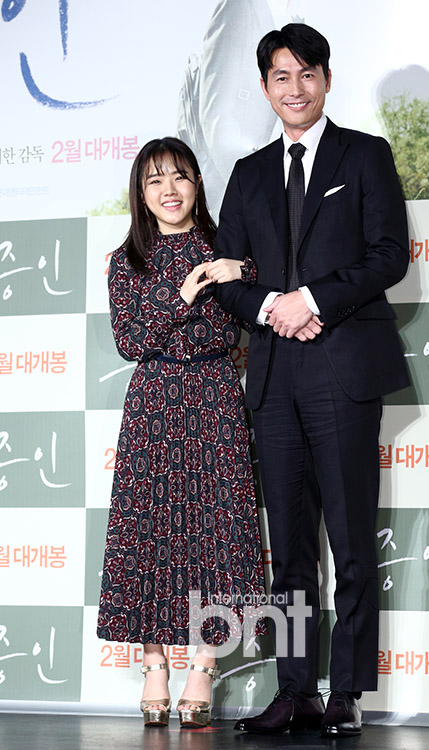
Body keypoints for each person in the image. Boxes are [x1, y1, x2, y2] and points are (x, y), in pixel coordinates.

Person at [212, 23, 410, 737]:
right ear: (265, 87)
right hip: (272, 375)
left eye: (306, 74)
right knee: (289, 548)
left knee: (351, 539)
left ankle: (348, 690)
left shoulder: (365, 156)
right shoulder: (249, 172)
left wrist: (313, 299)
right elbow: (227, 275)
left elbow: (391, 254)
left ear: (325, 80)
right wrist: (271, 307)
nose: (293, 89)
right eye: (279, 77)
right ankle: (294, 687)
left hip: (343, 369)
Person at [96, 136, 266, 729]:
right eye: (155, 180)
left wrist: (240, 270)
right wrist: (182, 294)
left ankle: (204, 663)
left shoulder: (227, 248)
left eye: (180, 177)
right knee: (148, 532)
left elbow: (254, 310)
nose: (169, 190)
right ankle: (153, 668)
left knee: (215, 531)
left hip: (216, 396)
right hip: (153, 403)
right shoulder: (126, 260)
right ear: (141, 193)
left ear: (197, 183)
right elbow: (131, 341)